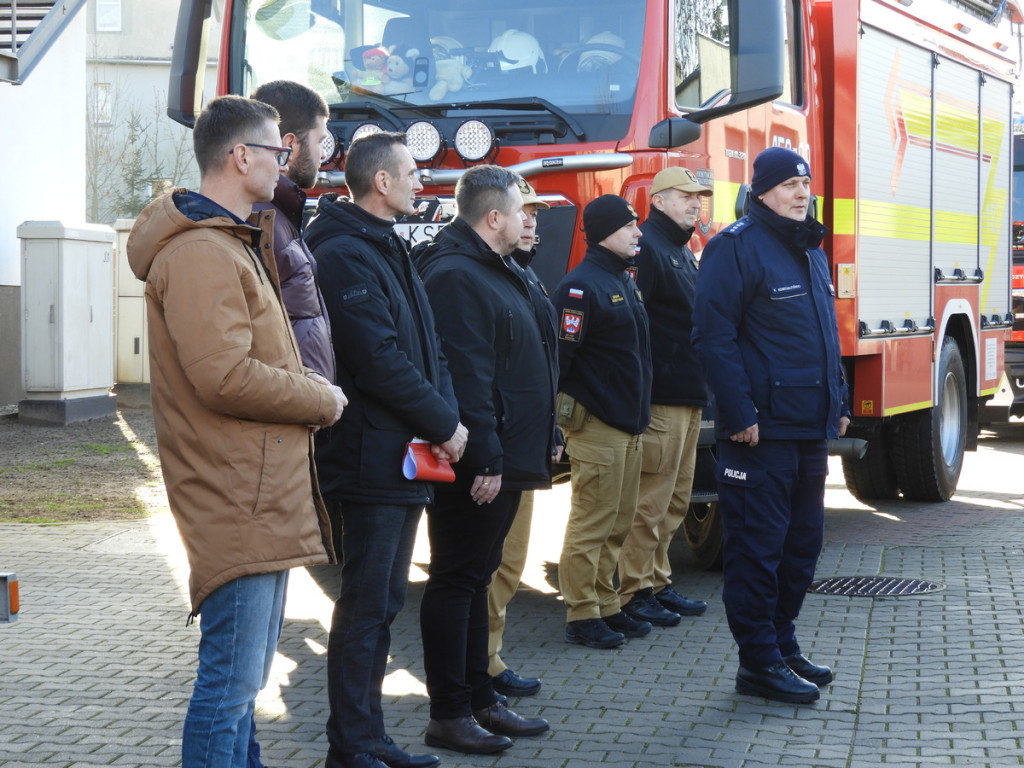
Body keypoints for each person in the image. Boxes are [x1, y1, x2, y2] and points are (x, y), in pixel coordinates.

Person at [125, 94, 347, 768]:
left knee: (242, 687)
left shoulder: (230, 239)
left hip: (256, 492)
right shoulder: (201, 252)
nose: (287, 161)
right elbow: (222, 376)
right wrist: (319, 397)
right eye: (278, 151)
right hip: (237, 496)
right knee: (229, 686)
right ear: (241, 156)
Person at [303, 131, 467, 768]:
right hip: (370, 458)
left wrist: (446, 419)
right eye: (411, 172)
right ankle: (350, 746)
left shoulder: (385, 246)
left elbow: (430, 348)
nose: (421, 182)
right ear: (381, 183)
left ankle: (368, 738)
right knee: (367, 606)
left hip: (402, 453)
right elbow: (378, 361)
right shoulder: (345, 253)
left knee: (385, 603)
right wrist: (445, 425)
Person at [692, 147, 850, 705]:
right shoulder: (732, 249)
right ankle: (757, 662)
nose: (802, 191)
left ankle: (782, 645)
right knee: (757, 551)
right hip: (760, 434)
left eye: (806, 182)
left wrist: (840, 399)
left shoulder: (809, 251)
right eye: (789, 184)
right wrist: (737, 415)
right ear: (762, 191)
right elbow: (714, 338)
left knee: (802, 548)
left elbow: (825, 336)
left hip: (808, 430)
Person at [414, 165, 555, 755]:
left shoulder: (498, 269)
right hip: (480, 463)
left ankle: (480, 699)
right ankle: (449, 712)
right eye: (522, 209)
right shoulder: (454, 275)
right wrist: (488, 458)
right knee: (456, 580)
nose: (530, 219)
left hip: (506, 455)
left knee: (475, 581)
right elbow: (468, 377)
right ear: (492, 217)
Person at [551, 194, 653, 649]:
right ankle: (580, 614)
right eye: (630, 225)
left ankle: (607, 605)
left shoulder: (623, 280)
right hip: (598, 425)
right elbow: (560, 360)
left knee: (618, 521)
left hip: (627, 424)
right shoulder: (580, 288)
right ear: (605, 232)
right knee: (591, 523)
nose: (638, 232)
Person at [618, 167, 711, 628]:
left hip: (688, 394)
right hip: (661, 397)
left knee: (676, 499)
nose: (696, 204)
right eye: (686, 196)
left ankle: (657, 580)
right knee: (650, 500)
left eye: (699, 197)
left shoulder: (679, 248)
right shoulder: (648, 249)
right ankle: (633, 590)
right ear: (657, 200)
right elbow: (634, 325)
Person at [485, 179, 561, 698]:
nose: (533, 221)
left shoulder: (523, 275)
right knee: (495, 564)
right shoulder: (489, 276)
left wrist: (549, 425)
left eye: (536, 213)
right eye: (524, 211)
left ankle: (488, 656)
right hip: (500, 448)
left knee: (511, 562)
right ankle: (483, 663)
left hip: (525, 441)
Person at [251, 80, 335, 381]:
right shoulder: (264, 222)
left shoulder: (281, 216)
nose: (323, 154)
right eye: (319, 140)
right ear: (288, 146)